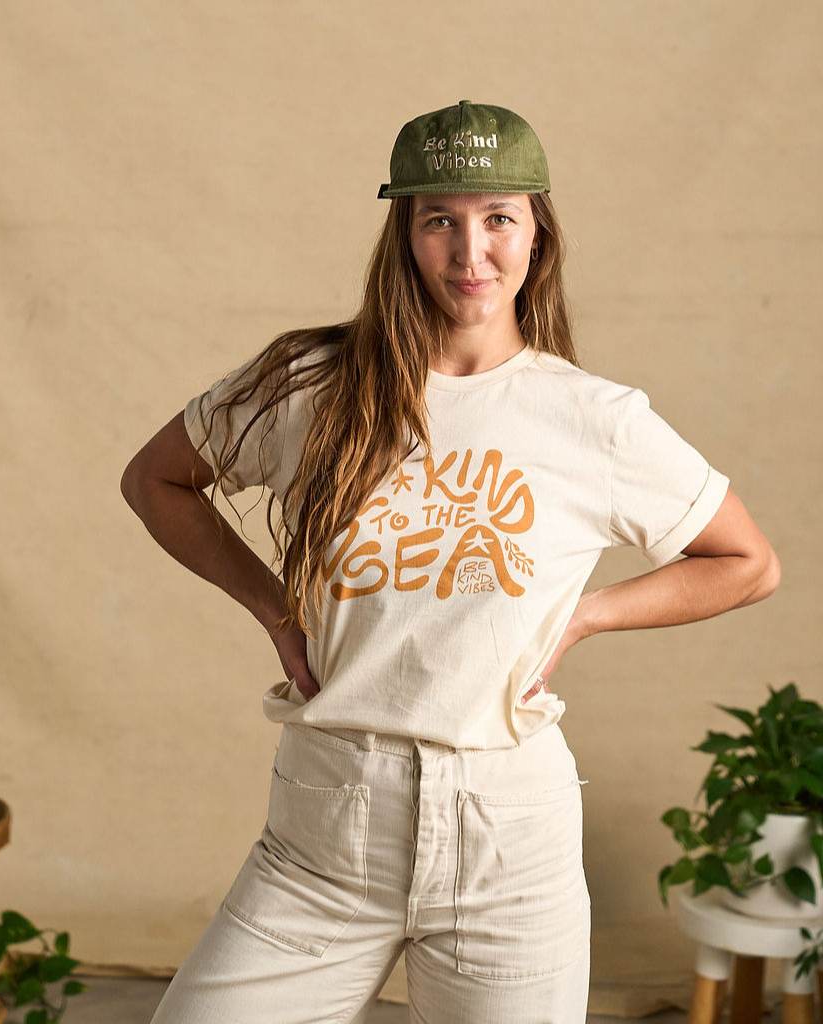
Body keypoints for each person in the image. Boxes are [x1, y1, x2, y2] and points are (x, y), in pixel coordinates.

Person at [121, 100, 781, 1023]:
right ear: (404, 235)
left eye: (498, 219)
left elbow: (746, 563)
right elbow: (156, 478)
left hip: (507, 840)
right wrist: (276, 609)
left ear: (538, 235)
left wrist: (586, 615)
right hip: (325, 828)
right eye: (440, 220)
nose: (471, 253)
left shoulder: (594, 418)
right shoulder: (312, 384)